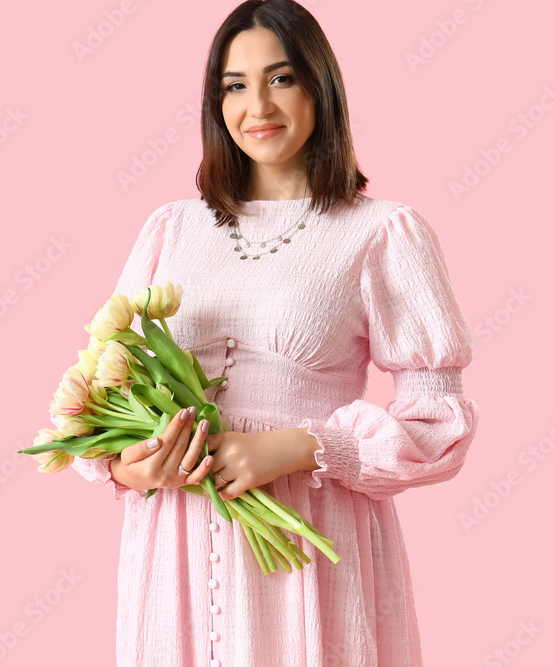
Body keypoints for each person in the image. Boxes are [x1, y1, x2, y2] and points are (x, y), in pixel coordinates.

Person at [70, 1, 480, 665]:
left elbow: (440, 422)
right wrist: (126, 462)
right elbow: (102, 384)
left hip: (307, 550)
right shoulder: (171, 230)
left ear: (321, 85)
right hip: (171, 547)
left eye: (281, 78)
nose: (256, 104)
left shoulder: (382, 233)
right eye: (234, 85)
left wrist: (298, 447)